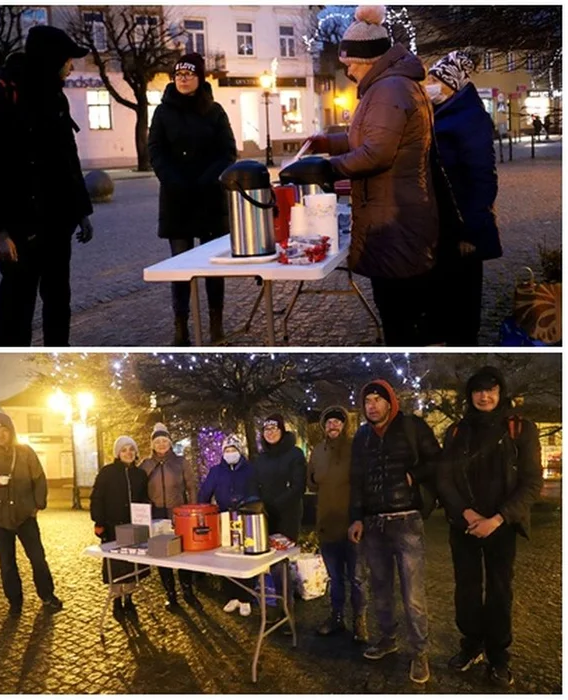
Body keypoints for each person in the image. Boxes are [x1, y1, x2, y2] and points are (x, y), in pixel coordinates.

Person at [302, 6, 438, 345]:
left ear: (368, 60)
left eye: (351, 64)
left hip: (395, 219)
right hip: (395, 214)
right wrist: (328, 143)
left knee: (399, 316)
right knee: (399, 310)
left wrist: (325, 168)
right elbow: (371, 138)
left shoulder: (389, 88)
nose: (348, 71)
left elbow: (377, 154)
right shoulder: (388, 86)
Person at [0, 25, 95, 347]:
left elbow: (68, 158)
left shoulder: (55, 96)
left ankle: (57, 354)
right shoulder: (0, 97)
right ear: (51, 59)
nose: (72, 66)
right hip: (19, 227)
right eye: (67, 59)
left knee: (58, 302)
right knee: (15, 307)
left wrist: (81, 212)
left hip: (58, 222)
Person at [437, 367, 542, 687]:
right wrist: (466, 514)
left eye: (491, 389)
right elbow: (445, 478)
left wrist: (498, 519)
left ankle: (498, 655)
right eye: (479, 390)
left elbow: (531, 482)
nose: (485, 396)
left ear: (501, 392)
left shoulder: (520, 429)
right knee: (466, 590)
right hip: (465, 525)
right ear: (470, 395)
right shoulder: (456, 431)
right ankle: (471, 644)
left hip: (502, 525)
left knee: (499, 592)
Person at [348, 379, 442, 684]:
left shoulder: (412, 426)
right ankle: (388, 639)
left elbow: (438, 461)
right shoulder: (362, 436)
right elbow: (357, 479)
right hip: (374, 524)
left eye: (378, 399)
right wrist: (356, 517)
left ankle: (420, 651)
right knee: (381, 590)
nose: (372, 405)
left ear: (390, 402)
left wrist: (415, 475)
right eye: (367, 401)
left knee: (413, 594)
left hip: (406, 521)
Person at [147, 53, 238, 346]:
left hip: (209, 197)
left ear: (200, 78)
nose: (183, 78)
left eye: (189, 74)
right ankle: (181, 328)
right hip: (177, 199)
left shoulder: (215, 111)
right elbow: (156, 150)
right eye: (179, 74)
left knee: (213, 266)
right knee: (180, 266)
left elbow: (227, 151)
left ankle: (216, 327)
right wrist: (174, 179)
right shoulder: (162, 113)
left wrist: (208, 178)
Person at [424, 51, 501, 346]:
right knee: (447, 296)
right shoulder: (447, 112)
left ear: (451, 83)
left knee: (463, 301)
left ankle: (464, 344)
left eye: (434, 79)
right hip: (447, 225)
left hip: (463, 229)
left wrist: (470, 231)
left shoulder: (469, 118)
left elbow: (483, 177)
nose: (428, 84)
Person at [0, 413, 64, 616]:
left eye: (5, 430)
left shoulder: (25, 452)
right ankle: (15, 602)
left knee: (37, 558)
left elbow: (39, 478)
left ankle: (47, 595)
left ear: (11, 432)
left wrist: (37, 505)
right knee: (7, 563)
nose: (1, 434)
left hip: (25, 516)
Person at [306, 406, 367, 643]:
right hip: (327, 524)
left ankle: (360, 620)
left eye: (338, 422)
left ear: (345, 426)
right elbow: (311, 481)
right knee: (335, 577)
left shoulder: (355, 449)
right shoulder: (317, 451)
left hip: (352, 525)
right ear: (324, 426)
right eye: (329, 421)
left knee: (358, 577)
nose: (333, 425)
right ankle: (337, 616)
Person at [90, 435, 150, 622]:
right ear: (118, 453)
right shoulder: (107, 472)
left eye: (131, 449)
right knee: (115, 565)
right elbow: (97, 498)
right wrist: (98, 522)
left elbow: (144, 498)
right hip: (111, 526)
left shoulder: (140, 474)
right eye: (124, 450)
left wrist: (146, 518)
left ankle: (129, 598)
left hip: (134, 527)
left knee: (132, 563)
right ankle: (116, 600)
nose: (128, 453)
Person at [141, 423, 201, 610]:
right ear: (152, 444)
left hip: (179, 512)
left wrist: (191, 509)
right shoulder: (146, 464)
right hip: (157, 512)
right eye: (157, 441)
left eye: (164, 440)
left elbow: (191, 486)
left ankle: (188, 591)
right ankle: (170, 594)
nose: (161, 444)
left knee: (183, 553)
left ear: (170, 442)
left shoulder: (181, 462)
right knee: (162, 554)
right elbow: (140, 490)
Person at [198, 434, 259, 617]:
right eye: (227, 450)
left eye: (233, 450)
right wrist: (208, 513)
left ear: (240, 451)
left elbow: (256, 491)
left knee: (245, 557)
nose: (230, 453)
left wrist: (250, 505)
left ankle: (246, 597)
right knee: (227, 557)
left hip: (246, 517)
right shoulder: (216, 471)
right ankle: (231, 596)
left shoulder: (250, 470)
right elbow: (204, 494)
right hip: (224, 518)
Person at [253, 414, 306, 621]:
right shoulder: (261, 458)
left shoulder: (294, 454)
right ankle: (274, 606)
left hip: (287, 516)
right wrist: (256, 505)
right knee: (268, 563)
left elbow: (298, 487)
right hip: (265, 516)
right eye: (266, 430)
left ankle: (288, 611)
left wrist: (274, 505)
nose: (271, 433)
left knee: (281, 565)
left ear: (282, 431)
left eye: (274, 429)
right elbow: (255, 484)